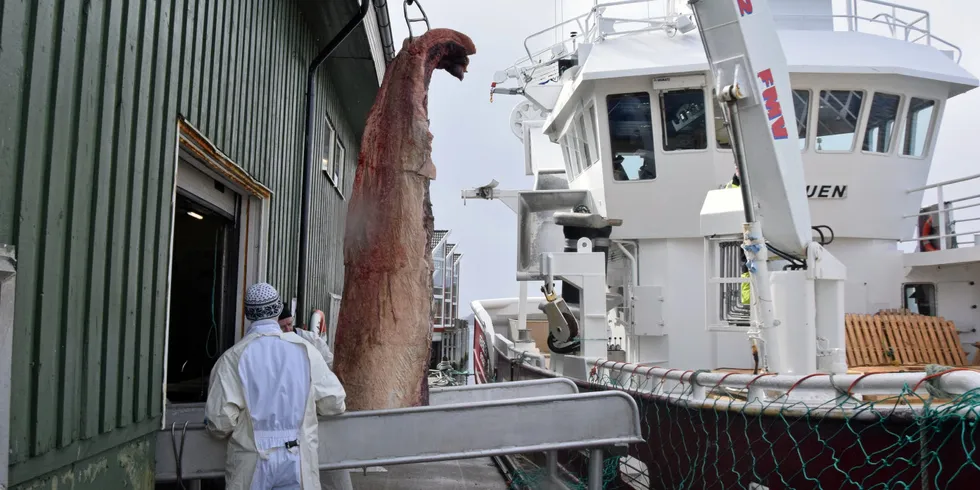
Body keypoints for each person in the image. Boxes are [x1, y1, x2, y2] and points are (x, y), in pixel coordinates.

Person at [205, 283, 346, 489]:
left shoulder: (233, 358)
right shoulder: (306, 351)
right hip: (298, 460)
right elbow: (334, 403)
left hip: (252, 462)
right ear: (278, 310)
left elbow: (219, 423)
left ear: (248, 315)